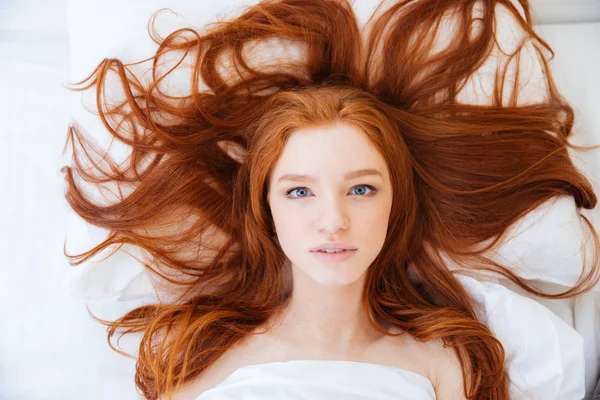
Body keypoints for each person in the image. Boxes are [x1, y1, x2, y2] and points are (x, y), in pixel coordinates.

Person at [61, 0, 600, 399]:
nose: (333, 221)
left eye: (361, 189)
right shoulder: (197, 359)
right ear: (266, 209)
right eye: (300, 191)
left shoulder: (446, 362)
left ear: (395, 204)